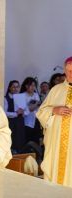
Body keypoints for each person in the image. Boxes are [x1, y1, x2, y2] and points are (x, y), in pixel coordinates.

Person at [36, 56, 72, 187]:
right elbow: (40, 113)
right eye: (68, 71)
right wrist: (54, 110)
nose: (70, 74)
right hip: (56, 144)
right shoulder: (56, 90)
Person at [4, 80, 26, 154]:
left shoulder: (21, 97)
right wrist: (16, 113)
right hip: (11, 123)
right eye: (14, 87)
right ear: (10, 88)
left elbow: (25, 109)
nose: (16, 89)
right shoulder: (6, 98)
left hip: (20, 122)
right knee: (12, 139)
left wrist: (24, 112)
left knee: (20, 139)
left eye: (17, 87)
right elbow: (4, 113)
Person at [20, 77, 42, 145]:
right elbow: (23, 110)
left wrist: (34, 106)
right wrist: (33, 106)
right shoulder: (22, 95)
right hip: (26, 122)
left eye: (34, 85)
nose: (33, 87)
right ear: (26, 86)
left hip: (36, 120)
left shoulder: (36, 94)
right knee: (27, 141)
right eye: (31, 85)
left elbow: (37, 106)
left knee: (36, 140)